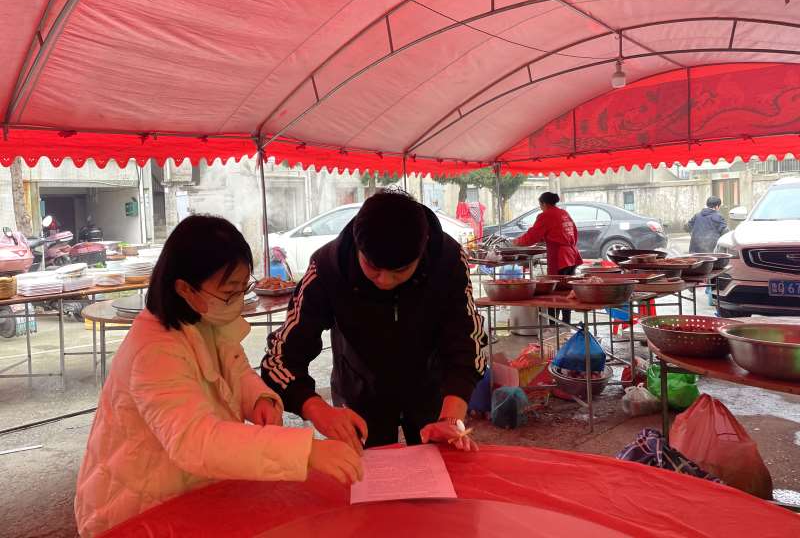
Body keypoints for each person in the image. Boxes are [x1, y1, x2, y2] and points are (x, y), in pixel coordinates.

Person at [74, 215, 361, 537]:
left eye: (243, 288)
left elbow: (235, 370)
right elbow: (196, 441)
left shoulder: (204, 318)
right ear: (185, 288)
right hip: (137, 510)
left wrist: (259, 399)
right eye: (229, 292)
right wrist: (306, 452)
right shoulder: (154, 350)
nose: (238, 301)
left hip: (189, 492)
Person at [262, 190, 487, 452]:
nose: (385, 280)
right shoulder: (327, 266)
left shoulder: (447, 258)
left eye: (400, 271)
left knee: (440, 463)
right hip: (359, 393)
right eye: (372, 267)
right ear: (358, 246)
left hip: (430, 388)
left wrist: (451, 416)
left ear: (423, 249)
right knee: (364, 473)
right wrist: (316, 408)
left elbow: (466, 338)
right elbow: (281, 358)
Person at [513, 192, 583, 324]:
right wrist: (547, 239)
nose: (540, 207)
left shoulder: (546, 215)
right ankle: (566, 323)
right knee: (566, 290)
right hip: (572, 255)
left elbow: (532, 235)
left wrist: (516, 242)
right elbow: (572, 232)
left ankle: (553, 325)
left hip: (560, 257)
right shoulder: (563, 213)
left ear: (543, 203)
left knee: (554, 291)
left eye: (540, 204)